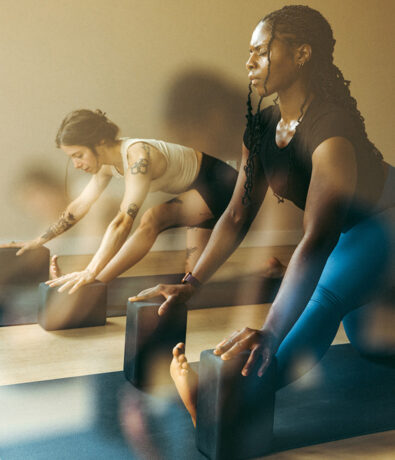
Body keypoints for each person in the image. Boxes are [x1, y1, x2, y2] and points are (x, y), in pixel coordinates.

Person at [129, 5, 395, 427]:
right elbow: (235, 215)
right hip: (354, 233)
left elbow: (317, 239)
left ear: (303, 54)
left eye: (261, 51)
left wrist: (269, 331)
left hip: (385, 223)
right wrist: (190, 285)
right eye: (248, 52)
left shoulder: (330, 131)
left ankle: (228, 399)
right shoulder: (262, 127)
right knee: (373, 343)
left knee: (324, 299)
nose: (249, 62)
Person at [3, 109, 238, 293]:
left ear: (100, 144)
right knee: (192, 282)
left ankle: (93, 283)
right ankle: (93, 283)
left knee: (152, 219)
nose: (76, 164)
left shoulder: (138, 157)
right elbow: (78, 207)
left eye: (78, 155)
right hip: (201, 189)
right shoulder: (106, 165)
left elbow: (123, 222)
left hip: (221, 183)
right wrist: (39, 240)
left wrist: (90, 271)